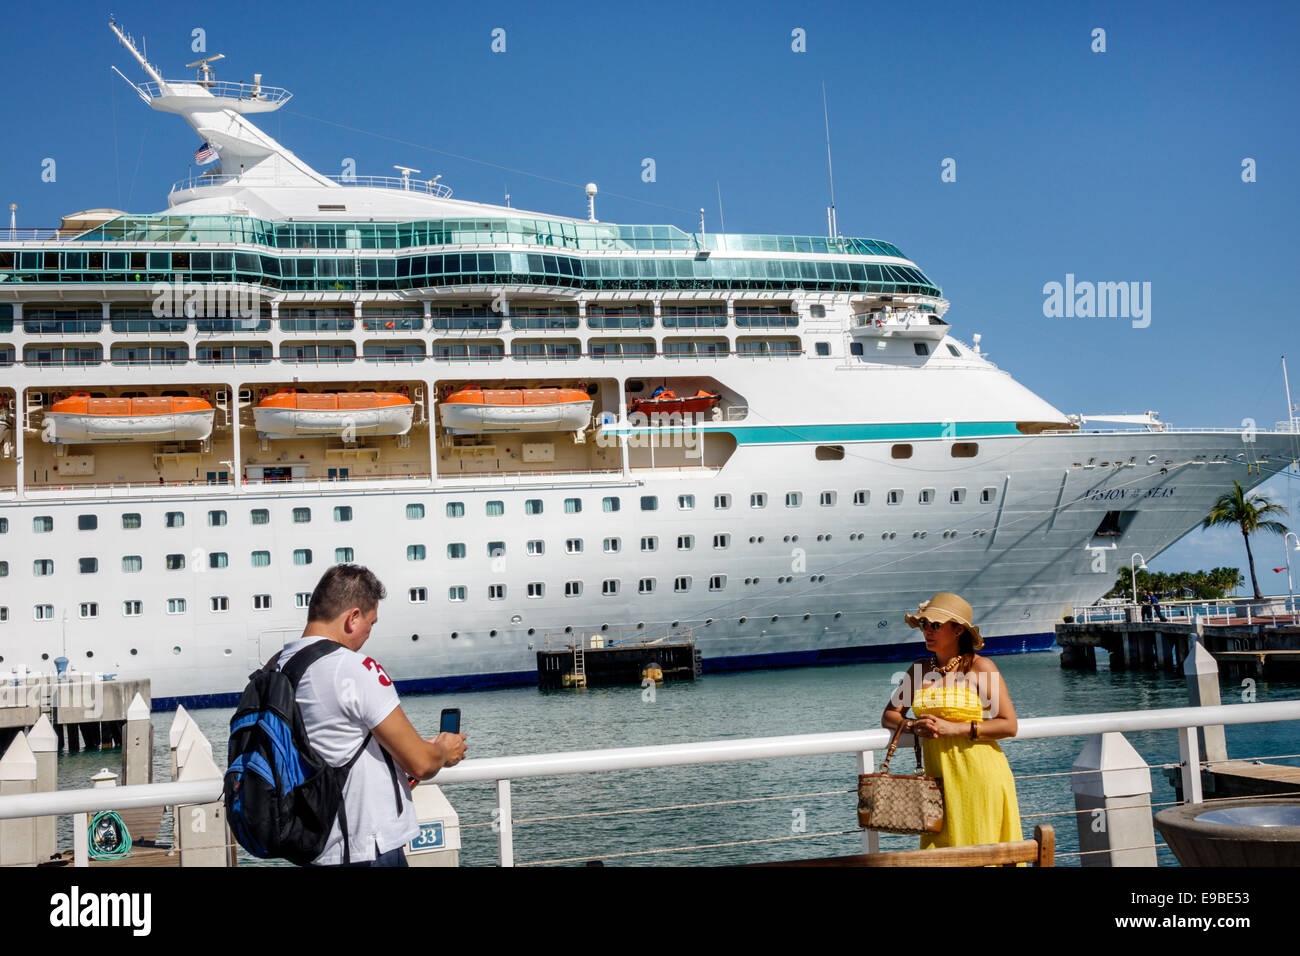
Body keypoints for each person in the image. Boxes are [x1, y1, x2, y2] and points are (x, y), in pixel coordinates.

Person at [278, 564, 467, 866]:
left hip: (314, 848)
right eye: (371, 622)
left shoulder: (278, 667)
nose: (368, 634)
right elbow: (421, 763)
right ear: (353, 618)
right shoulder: (352, 667)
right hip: (365, 848)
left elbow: (330, 750)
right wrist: (443, 751)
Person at [881, 592, 1022, 849]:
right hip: (937, 783)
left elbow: (1008, 724)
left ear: (958, 630)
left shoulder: (981, 668)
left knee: (982, 853)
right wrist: (914, 725)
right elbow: (890, 715)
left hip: (980, 777)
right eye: (924, 624)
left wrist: (953, 728)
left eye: (935, 625)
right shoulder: (919, 669)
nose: (927, 631)